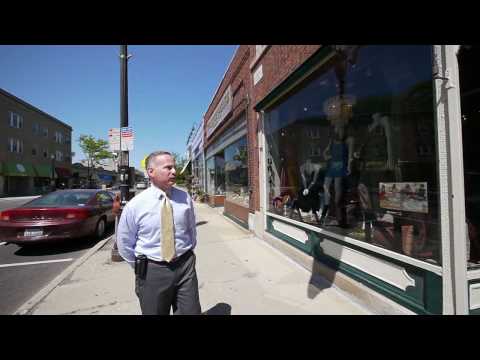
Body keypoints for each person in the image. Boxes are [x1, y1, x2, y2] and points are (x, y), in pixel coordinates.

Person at [116, 150, 201, 315]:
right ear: (151, 172)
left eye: (174, 167)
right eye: (168, 167)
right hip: (152, 270)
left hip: (185, 266)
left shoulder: (184, 198)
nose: (174, 171)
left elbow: (192, 229)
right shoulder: (136, 205)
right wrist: (142, 268)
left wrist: (187, 253)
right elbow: (124, 243)